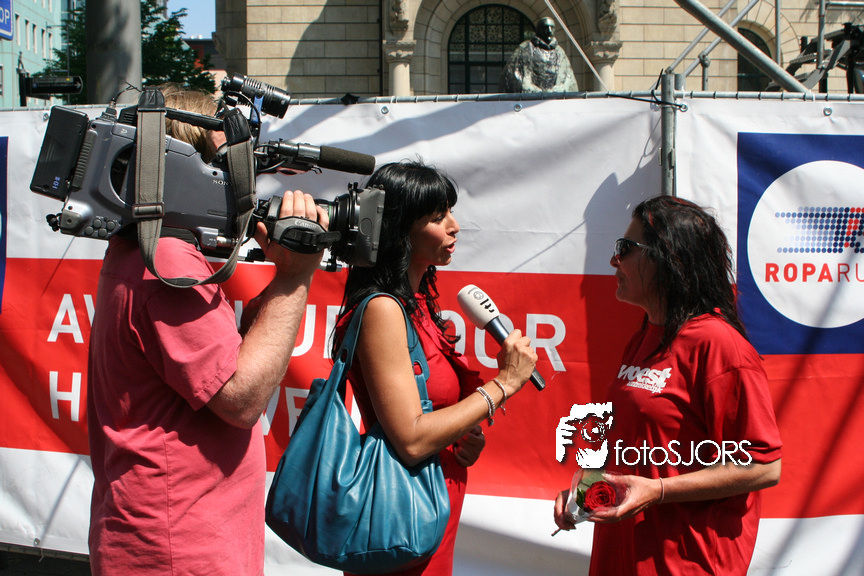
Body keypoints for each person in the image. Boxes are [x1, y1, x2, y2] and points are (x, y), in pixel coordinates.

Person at [86, 87, 329, 576]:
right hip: (179, 547)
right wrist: (295, 277)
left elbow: (217, 367)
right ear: (187, 167)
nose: (236, 180)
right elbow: (241, 398)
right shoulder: (166, 261)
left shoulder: (145, 247)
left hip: (174, 536)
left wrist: (282, 277)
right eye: (224, 162)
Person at [553, 196, 782, 575]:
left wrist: (657, 491)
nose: (614, 261)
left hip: (684, 562)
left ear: (670, 259)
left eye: (625, 248)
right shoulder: (646, 335)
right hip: (624, 557)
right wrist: (585, 492)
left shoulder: (718, 344)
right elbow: (628, 444)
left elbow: (763, 466)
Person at [332, 160, 539, 576]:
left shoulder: (420, 305)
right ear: (399, 229)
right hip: (398, 522)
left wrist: (461, 438)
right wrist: (503, 384)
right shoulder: (383, 310)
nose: (454, 226)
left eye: (451, 213)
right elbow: (410, 439)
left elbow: (429, 418)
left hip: (431, 514)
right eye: (437, 217)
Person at [498, 17, 579, 93]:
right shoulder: (525, 48)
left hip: (554, 99)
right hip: (531, 100)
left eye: (552, 28)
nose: (549, 31)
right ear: (539, 30)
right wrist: (534, 90)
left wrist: (562, 88)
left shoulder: (560, 52)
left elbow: (569, 78)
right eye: (545, 28)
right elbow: (513, 75)